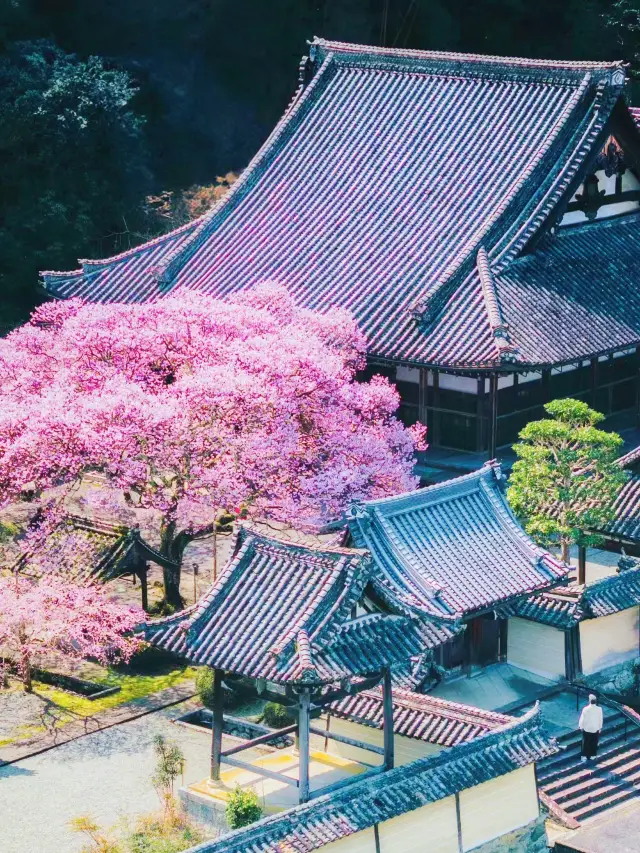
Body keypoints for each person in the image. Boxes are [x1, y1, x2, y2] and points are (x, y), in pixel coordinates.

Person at [578, 694, 603, 762]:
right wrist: (600, 727)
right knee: (594, 742)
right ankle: (593, 755)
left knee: (586, 742)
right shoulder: (599, 709)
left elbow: (582, 718)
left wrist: (581, 726)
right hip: (595, 728)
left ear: (589, 701)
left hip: (587, 728)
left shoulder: (585, 709)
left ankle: (584, 756)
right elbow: (600, 719)